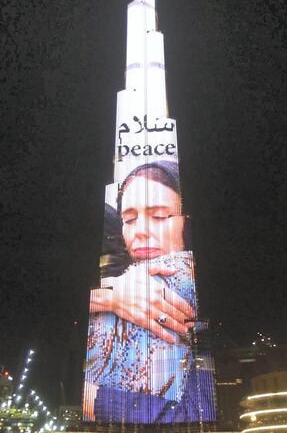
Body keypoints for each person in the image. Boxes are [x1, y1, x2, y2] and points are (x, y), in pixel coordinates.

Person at [83, 161, 215, 424]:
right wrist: (109, 295)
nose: (140, 231)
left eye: (159, 216)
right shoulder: (123, 275)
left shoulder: (183, 281)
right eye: (129, 219)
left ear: (187, 223)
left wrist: (90, 396)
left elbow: (194, 412)